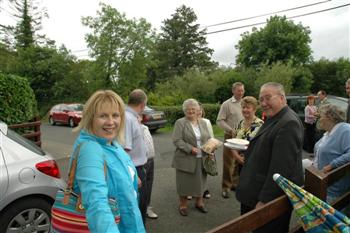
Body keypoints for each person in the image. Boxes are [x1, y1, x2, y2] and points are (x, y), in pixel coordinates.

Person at [70, 90, 145, 233]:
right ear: (90, 118)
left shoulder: (112, 143)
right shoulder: (90, 150)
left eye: (115, 115)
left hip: (129, 223)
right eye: (103, 116)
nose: (111, 122)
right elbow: (97, 204)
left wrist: (132, 177)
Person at [236, 82, 304, 233]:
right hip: (256, 193)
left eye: (268, 98)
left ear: (282, 97)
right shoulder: (276, 117)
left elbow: (281, 169)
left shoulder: (288, 123)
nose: (264, 103)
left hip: (266, 201)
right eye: (261, 100)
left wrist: (265, 201)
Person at [172, 98, 211, 216]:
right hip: (185, 158)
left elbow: (208, 138)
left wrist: (211, 147)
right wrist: (190, 148)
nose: (191, 111)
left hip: (202, 157)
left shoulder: (203, 122)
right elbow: (176, 140)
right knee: (184, 183)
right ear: (184, 111)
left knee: (201, 182)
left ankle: (199, 203)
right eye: (188, 109)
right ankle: (183, 205)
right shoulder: (180, 123)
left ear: (198, 110)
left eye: (193, 109)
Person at [313, 104, 350, 209]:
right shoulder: (329, 132)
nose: (319, 119)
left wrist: (331, 166)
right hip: (322, 185)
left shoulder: (345, 129)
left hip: (333, 192)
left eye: (321, 116)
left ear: (330, 117)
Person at [124, 89, 148, 225]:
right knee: (137, 207)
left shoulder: (132, 117)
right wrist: (133, 174)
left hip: (136, 167)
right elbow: (124, 149)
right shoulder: (128, 118)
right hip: (134, 169)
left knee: (141, 205)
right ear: (142, 105)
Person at [216, 82, 244, 198]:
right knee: (228, 163)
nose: (241, 93)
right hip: (230, 137)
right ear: (233, 91)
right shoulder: (226, 104)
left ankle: (235, 184)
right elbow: (220, 121)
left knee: (240, 162)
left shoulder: (245, 103)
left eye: (243, 90)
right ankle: (225, 187)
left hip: (243, 137)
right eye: (239, 90)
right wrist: (230, 129)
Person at [231, 96, 263, 173]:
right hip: (239, 162)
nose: (245, 110)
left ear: (254, 109)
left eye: (248, 107)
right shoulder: (240, 123)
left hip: (254, 163)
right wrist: (237, 157)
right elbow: (233, 142)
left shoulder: (260, 124)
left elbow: (261, 146)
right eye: (243, 107)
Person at [141, 123, 159, 219]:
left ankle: (147, 207)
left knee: (149, 184)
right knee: (142, 187)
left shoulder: (145, 127)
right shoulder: (130, 128)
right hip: (141, 162)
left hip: (150, 159)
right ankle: (141, 209)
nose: (138, 117)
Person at [198, 103, 214, 199]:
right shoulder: (187, 122)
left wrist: (210, 151)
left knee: (203, 171)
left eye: (200, 109)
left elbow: (211, 137)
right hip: (192, 152)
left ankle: (204, 189)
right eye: (197, 109)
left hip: (205, 150)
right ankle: (190, 191)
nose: (199, 111)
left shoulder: (206, 122)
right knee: (192, 172)